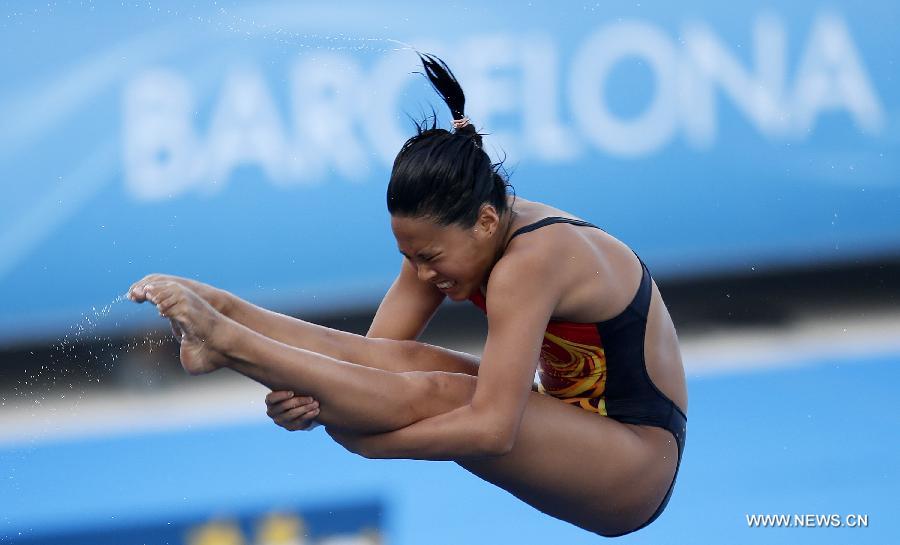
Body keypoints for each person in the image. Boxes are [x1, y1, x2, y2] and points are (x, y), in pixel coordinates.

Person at [128, 54, 687, 537]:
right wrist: (316, 401)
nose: (422, 274)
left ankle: (228, 343)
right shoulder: (458, 237)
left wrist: (368, 443)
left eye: (430, 258)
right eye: (410, 257)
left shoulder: (531, 263)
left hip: (636, 464)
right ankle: (228, 314)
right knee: (408, 367)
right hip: (573, 425)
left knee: (445, 392)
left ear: (486, 222)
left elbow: (493, 429)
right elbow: (376, 369)